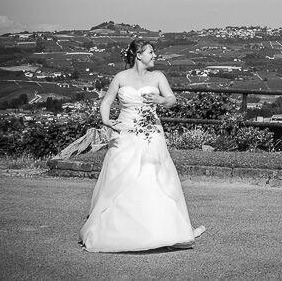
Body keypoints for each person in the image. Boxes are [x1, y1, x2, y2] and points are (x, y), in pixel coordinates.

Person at [79, 39, 206, 252]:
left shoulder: (158, 77)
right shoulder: (120, 77)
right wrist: (107, 120)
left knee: (152, 175)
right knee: (121, 176)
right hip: (126, 133)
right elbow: (107, 101)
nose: (154, 56)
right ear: (139, 55)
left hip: (151, 133)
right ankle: (120, 230)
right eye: (151, 52)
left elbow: (172, 99)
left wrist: (159, 99)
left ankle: (157, 230)